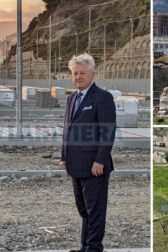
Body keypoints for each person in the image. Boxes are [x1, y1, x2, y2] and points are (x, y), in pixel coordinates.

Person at [59, 53, 116, 252]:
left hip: (94, 166)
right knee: (84, 210)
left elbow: (107, 132)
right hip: (75, 164)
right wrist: (63, 157)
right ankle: (85, 246)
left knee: (95, 211)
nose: (78, 77)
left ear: (92, 74)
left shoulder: (103, 97)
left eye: (82, 73)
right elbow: (68, 129)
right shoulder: (72, 98)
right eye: (75, 73)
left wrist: (100, 161)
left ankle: (94, 248)